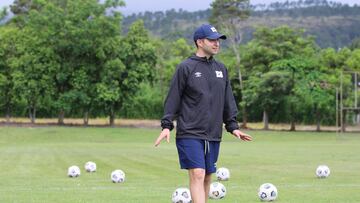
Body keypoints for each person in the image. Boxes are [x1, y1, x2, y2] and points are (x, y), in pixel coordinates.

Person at [154, 24, 252, 203]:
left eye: (218, 40)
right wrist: (167, 125)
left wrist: (232, 126)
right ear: (199, 42)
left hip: (213, 133)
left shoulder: (221, 69)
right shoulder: (186, 67)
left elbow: (227, 99)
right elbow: (173, 98)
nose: (217, 44)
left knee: (207, 176)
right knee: (197, 173)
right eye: (212, 40)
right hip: (190, 132)